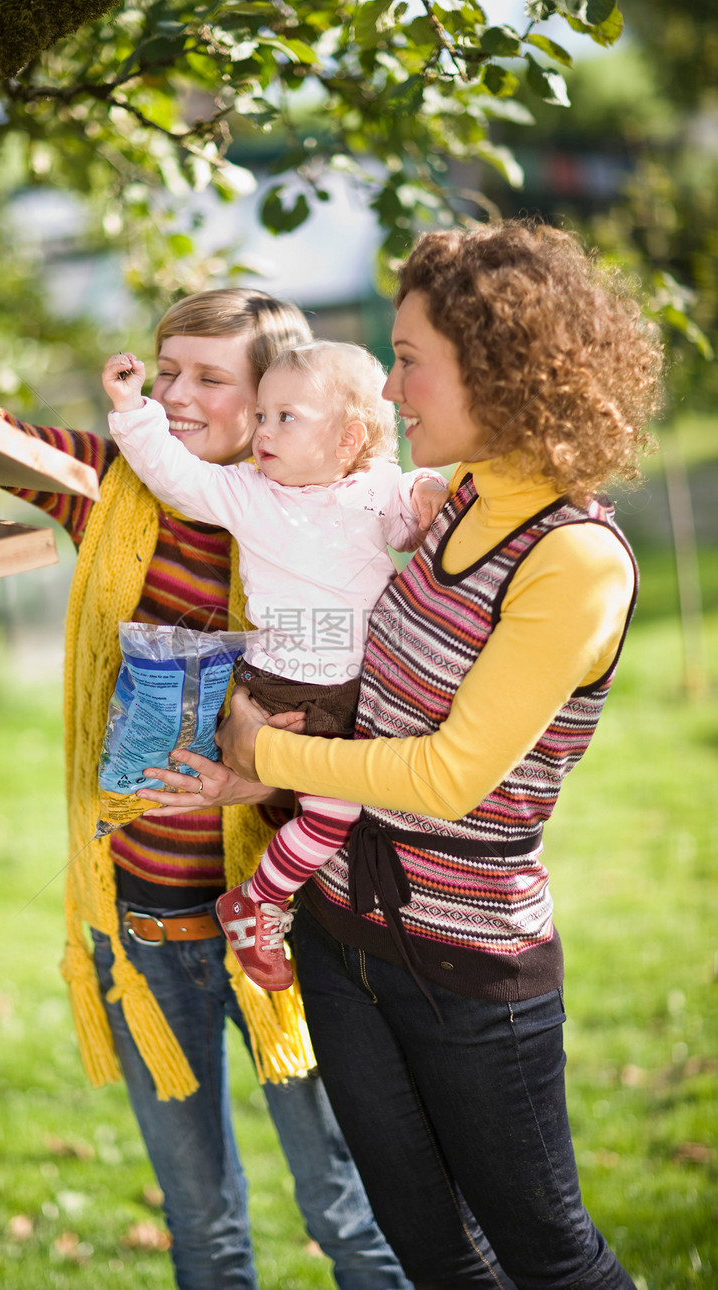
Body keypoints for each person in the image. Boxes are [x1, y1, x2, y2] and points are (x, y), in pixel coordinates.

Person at [0, 268, 413, 1290]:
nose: (180, 397)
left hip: (283, 929)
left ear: (274, 397)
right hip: (145, 928)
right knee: (200, 1229)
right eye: (167, 375)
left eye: (210, 378)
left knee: (348, 1214)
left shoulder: (334, 532)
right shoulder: (116, 488)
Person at [212, 222, 665, 1289]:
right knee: (429, 1252)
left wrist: (269, 749)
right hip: (333, 929)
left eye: (409, 359)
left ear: (500, 368)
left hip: (467, 969)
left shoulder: (571, 559)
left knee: (546, 1258)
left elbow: (450, 774)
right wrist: (256, 760)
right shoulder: (446, 501)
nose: (392, 387)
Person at [102, 339, 449, 991]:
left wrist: (429, 491)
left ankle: (307, 916)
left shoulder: (377, 488)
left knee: (355, 813)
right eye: (261, 415)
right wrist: (132, 409)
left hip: (364, 695)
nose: (263, 430)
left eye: (284, 418)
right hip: (288, 692)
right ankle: (257, 900)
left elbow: (412, 519)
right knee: (332, 814)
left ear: (349, 439)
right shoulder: (249, 493)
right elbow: (177, 476)